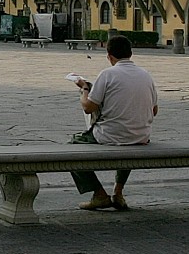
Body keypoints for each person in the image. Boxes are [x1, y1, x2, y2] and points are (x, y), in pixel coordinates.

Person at [66, 34, 158, 211]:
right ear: (131, 54)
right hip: (141, 136)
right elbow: (154, 110)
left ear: (109, 56)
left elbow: (88, 107)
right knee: (128, 142)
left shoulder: (107, 74)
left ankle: (99, 194)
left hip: (111, 135)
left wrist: (84, 88)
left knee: (71, 149)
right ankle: (118, 192)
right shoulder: (146, 75)